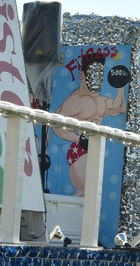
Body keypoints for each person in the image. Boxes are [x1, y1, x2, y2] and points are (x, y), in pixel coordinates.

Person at [50, 53, 126, 195]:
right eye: (94, 73)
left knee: (92, 192)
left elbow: (119, 108)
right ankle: (68, 216)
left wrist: (120, 87)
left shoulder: (101, 100)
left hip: (94, 149)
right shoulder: (75, 100)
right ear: (82, 75)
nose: (98, 78)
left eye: (100, 74)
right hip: (79, 151)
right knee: (85, 189)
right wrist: (78, 139)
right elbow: (56, 124)